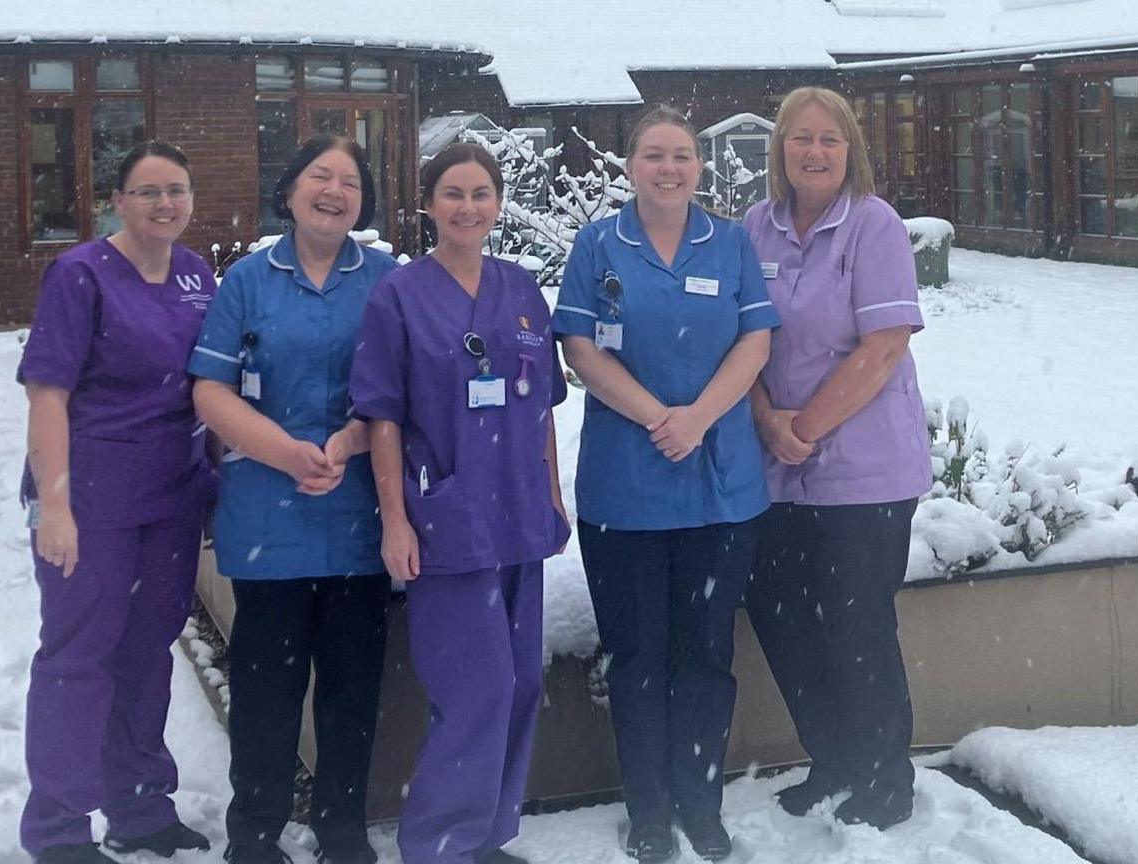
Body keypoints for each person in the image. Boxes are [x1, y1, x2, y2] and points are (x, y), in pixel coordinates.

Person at [552, 107, 778, 862]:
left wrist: (700, 419)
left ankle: (700, 800)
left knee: (706, 657)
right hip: (626, 493)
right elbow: (579, 347)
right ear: (630, 165)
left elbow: (756, 339)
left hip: (720, 490)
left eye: (682, 155)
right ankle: (649, 808)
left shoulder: (732, 242)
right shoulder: (598, 245)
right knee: (640, 659)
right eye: (654, 155)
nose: (670, 168)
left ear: (699, 166)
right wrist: (660, 418)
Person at [349, 142, 569, 864]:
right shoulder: (400, 294)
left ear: (498, 204)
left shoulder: (522, 289)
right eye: (453, 193)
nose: (467, 207)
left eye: (480, 193)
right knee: (476, 689)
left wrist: (553, 497)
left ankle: (485, 834)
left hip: (518, 514)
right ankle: (441, 843)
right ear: (428, 205)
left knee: (522, 682)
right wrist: (394, 521)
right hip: (445, 516)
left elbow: (544, 410)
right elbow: (382, 416)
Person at [187, 136, 397, 864]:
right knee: (265, 692)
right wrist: (284, 451)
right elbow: (209, 389)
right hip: (266, 523)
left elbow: (407, 389)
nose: (334, 190)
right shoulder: (247, 279)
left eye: (349, 180)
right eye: (320, 175)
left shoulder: (385, 277)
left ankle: (342, 827)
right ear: (290, 190)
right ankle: (255, 833)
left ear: (364, 200)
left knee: (350, 691)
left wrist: (348, 443)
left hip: (359, 517)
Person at [17, 139, 216, 864]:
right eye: (150, 191)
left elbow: (212, 387)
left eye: (178, 190)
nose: (166, 204)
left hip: (171, 496)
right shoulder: (79, 276)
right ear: (119, 201)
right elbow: (48, 396)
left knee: (144, 656)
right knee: (77, 659)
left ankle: (139, 809)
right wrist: (58, 505)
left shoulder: (197, 275)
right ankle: (59, 828)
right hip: (91, 498)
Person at [742, 86, 930, 831]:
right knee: (782, 618)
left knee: (858, 627)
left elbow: (883, 347)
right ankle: (835, 758)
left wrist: (804, 428)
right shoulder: (756, 228)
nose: (814, 152)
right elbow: (741, 338)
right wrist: (764, 418)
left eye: (829, 140)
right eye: (800, 139)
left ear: (851, 150)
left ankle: (887, 777)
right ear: (779, 150)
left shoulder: (874, 227)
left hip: (864, 472)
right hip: (779, 469)